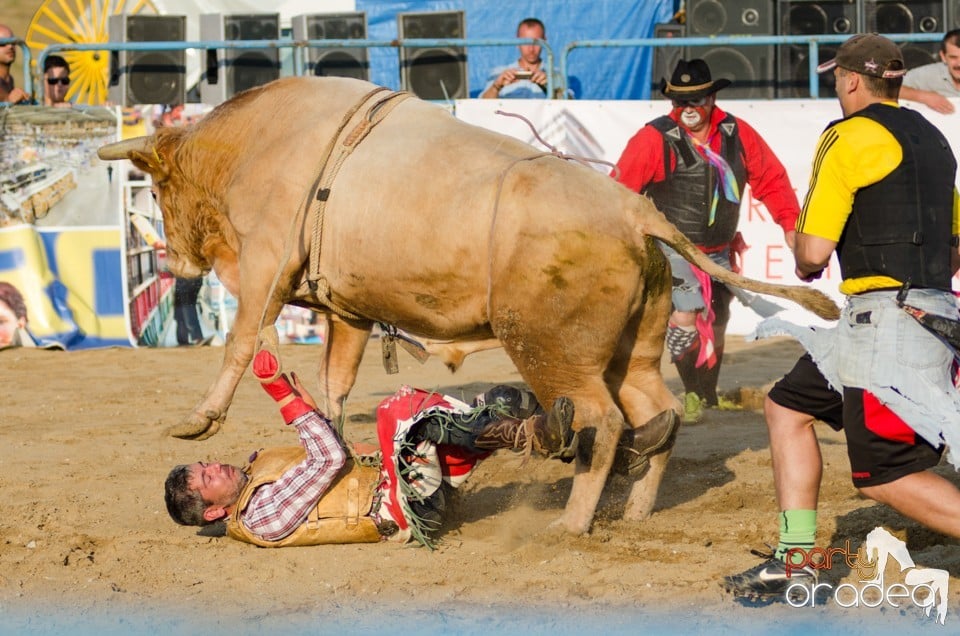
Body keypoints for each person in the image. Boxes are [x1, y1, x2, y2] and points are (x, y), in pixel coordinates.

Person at [723, 33, 960, 601]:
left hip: (883, 325)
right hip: (929, 312)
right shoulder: (935, 141)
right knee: (787, 406)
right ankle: (795, 560)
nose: (835, 85)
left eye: (835, 77)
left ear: (853, 80)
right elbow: (954, 247)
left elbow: (811, 252)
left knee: (885, 473)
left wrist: (808, 262)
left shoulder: (847, 136)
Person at [165, 349, 584, 547]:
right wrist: (283, 396)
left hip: (401, 480)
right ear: (215, 511)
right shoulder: (260, 517)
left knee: (500, 402)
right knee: (397, 414)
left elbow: (328, 456)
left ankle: (574, 443)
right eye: (208, 478)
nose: (216, 466)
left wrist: (305, 406)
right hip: (401, 509)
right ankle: (535, 436)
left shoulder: (258, 474)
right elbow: (329, 458)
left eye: (207, 463)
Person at [613, 58, 800, 423]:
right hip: (674, 248)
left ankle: (706, 394)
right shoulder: (653, 138)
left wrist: (790, 225)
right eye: (680, 101)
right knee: (687, 312)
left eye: (696, 99)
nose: (688, 109)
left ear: (712, 98)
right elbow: (620, 193)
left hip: (719, 250)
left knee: (718, 318)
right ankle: (695, 394)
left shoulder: (738, 133)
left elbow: (772, 180)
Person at [481, 18, 559, 99]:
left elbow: (569, 104)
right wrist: (496, 87)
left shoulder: (555, 74)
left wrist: (552, 87)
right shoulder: (500, 74)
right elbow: (481, 106)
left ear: (545, 41)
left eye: (536, 42)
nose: (531, 49)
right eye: (525, 42)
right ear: (517, 42)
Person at [898, 29, 960, 115]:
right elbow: (885, 88)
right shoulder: (929, 74)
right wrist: (923, 96)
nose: (959, 63)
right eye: (953, 57)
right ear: (943, 57)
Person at [0, 23, 29, 104]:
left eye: (13, 42)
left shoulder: (9, 79)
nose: (10, 46)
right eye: (3, 43)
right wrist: (9, 100)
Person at [173, 276, 205, 346]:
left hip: (188, 279)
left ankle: (197, 337)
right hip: (184, 279)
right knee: (180, 309)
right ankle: (182, 340)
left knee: (187, 306)